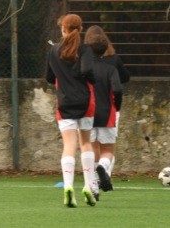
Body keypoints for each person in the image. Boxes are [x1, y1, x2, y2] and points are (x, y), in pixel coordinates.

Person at [45, 13, 97, 208]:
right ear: (80, 29)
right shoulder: (85, 49)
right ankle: (88, 185)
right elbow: (87, 71)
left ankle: (68, 186)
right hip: (85, 102)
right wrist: (91, 80)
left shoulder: (53, 51)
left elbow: (49, 78)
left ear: (63, 29)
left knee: (69, 145)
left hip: (64, 102)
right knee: (86, 143)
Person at [84, 25, 129, 193]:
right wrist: (117, 106)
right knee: (108, 148)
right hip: (108, 111)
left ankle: (94, 183)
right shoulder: (111, 66)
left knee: (91, 147)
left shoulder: (83, 66)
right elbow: (119, 87)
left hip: (88, 112)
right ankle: (104, 170)